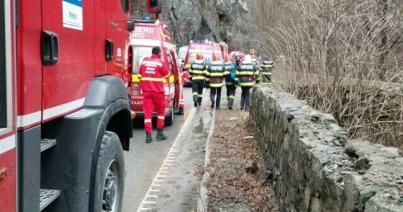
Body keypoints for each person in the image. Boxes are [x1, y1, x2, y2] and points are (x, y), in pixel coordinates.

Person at [138, 46, 170, 143]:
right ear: (159, 53)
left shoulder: (144, 62)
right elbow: (167, 75)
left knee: (147, 114)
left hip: (147, 92)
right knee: (161, 112)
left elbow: (139, 76)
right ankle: (159, 134)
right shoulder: (160, 63)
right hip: (158, 92)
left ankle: (148, 136)